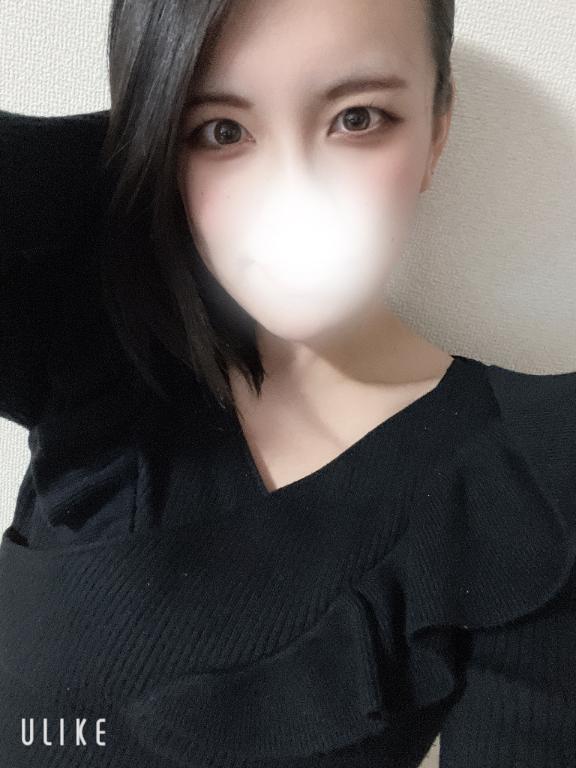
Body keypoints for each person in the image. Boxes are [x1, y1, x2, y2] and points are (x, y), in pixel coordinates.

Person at [0, 0, 575, 766]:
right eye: (220, 131)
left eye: (358, 118)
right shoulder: (99, 336)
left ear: (437, 128)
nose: (294, 194)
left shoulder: (531, 473)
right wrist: (149, 142)